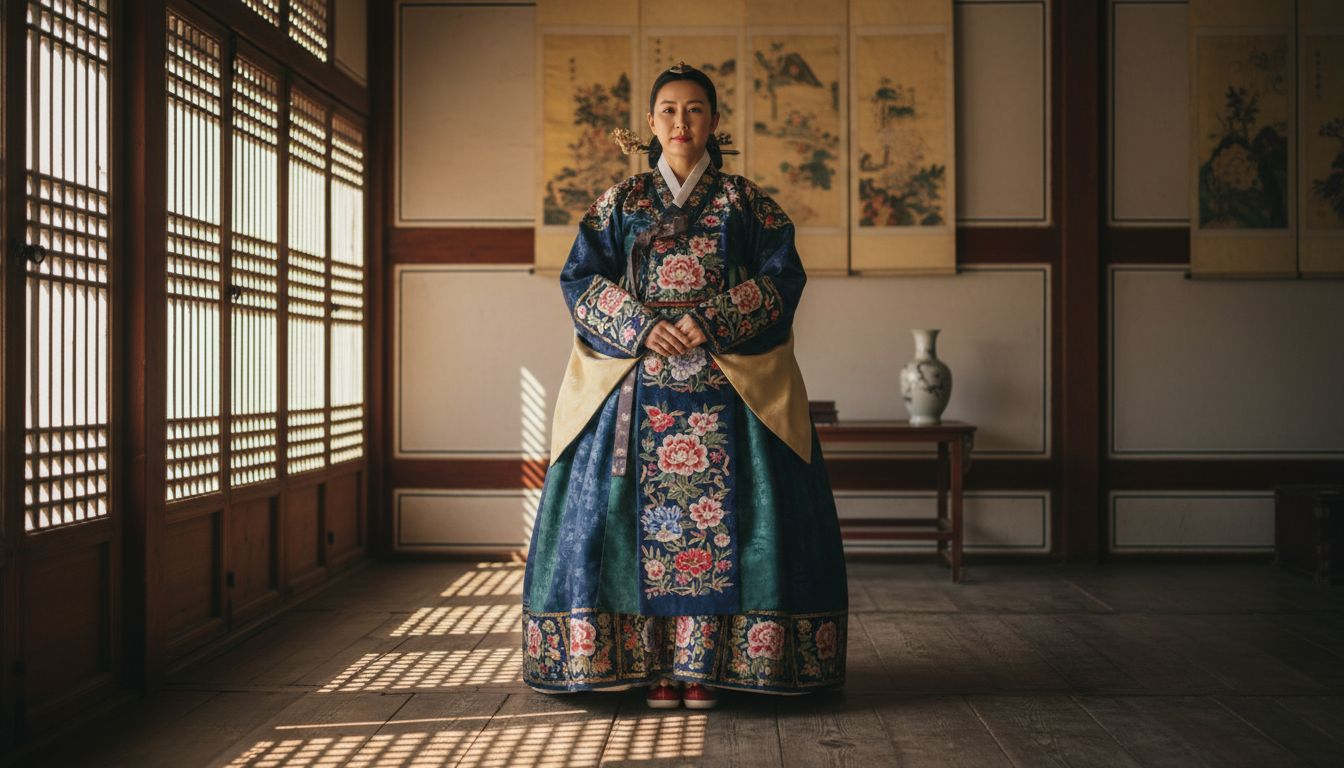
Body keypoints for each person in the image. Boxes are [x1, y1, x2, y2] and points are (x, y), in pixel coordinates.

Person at [521, 63, 847, 710]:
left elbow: (784, 279)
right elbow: (580, 282)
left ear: (714, 122)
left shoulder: (746, 204)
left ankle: (711, 665)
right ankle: (650, 667)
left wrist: (712, 320)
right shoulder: (619, 204)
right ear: (649, 124)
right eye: (667, 110)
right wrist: (642, 326)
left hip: (726, 389)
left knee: (731, 523)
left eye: (694, 109)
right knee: (627, 522)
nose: (680, 121)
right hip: (636, 390)